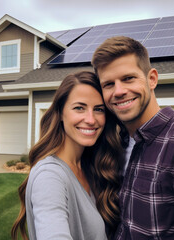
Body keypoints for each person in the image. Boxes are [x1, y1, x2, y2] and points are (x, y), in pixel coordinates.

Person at [91, 36, 174, 239]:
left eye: (128, 78)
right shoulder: (120, 145)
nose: (119, 91)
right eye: (109, 84)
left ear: (152, 78)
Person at [11, 71, 125, 240]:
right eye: (79, 108)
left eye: (99, 109)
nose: (91, 119)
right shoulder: (49, 176)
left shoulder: (90, 167)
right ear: (60, 113)